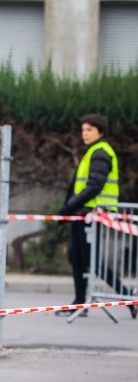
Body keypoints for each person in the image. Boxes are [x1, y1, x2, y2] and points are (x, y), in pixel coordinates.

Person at [55, 114, 135, 319]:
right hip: (83, 213)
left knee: (92, 261)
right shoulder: (92, 151)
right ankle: (80, 303)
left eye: (89, 130)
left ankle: (129, 298)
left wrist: (69, 207)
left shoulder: (100, 152)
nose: (85, 133)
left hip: (94, 214)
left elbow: (94, 186)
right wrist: (70, 208)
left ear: (100, 132)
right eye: (83, 130)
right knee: (76, 257)